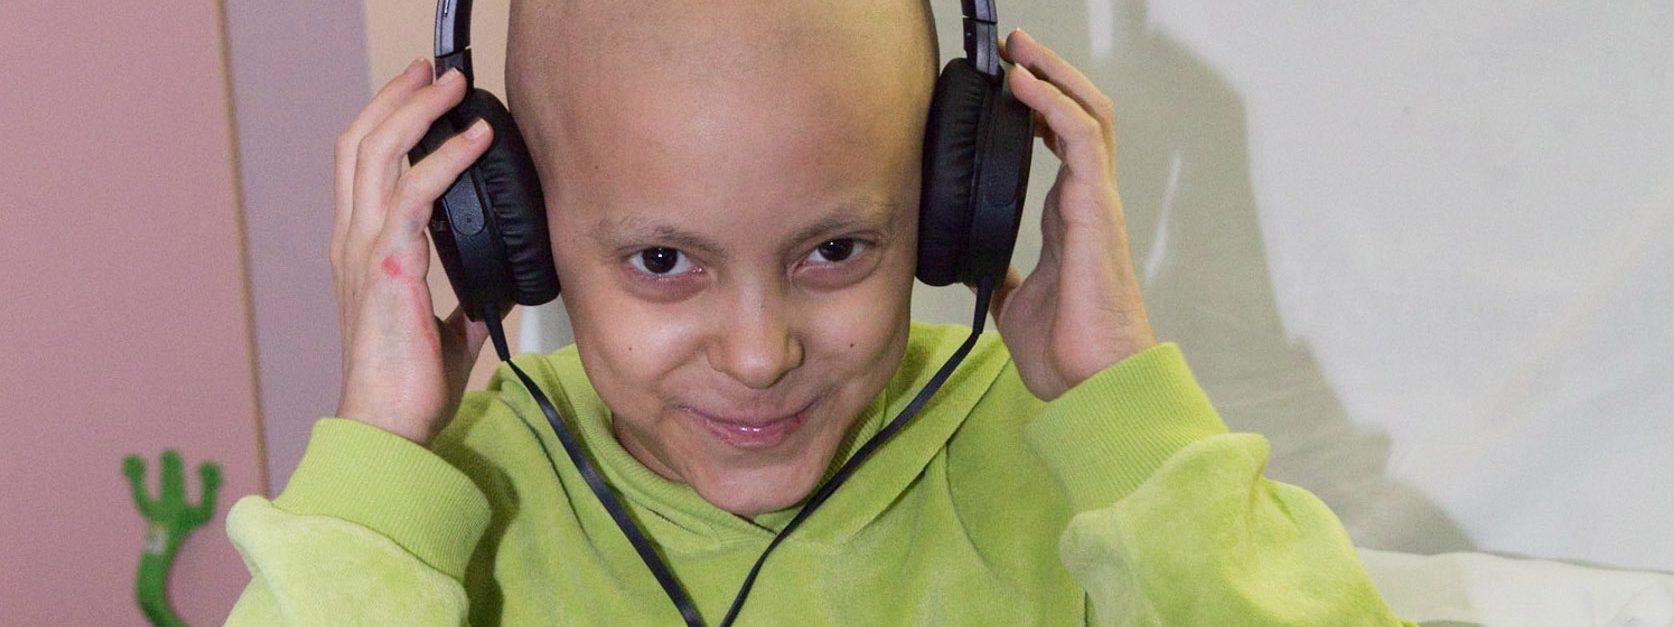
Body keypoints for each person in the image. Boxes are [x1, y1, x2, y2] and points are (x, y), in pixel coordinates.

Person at [225, 0, 1411, 624]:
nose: (760, 354)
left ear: (952, 208)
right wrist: (378, 461)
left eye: (836, 250)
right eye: (662, 261)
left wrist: (1122, 408)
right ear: (508, 229)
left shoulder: (1069, 470)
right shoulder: (458, 505)